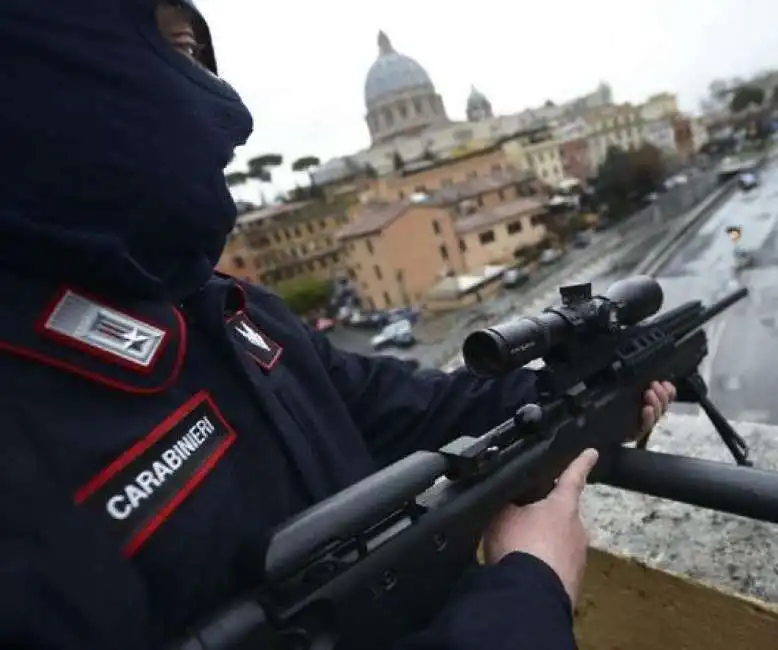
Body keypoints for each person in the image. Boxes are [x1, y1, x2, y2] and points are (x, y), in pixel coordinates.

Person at [0, 1, 676, 649]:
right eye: (177, 51)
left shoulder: (231, 312)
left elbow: (399, 405)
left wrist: (589, 392)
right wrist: (531, 587)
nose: (230, 115)